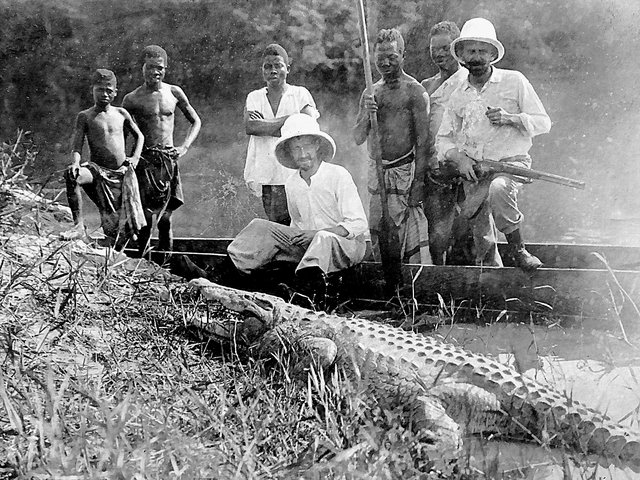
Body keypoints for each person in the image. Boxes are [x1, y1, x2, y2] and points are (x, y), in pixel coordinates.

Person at [436, 18, 551, 270]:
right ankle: (492, 280)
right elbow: (443, 139)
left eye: (482, 51)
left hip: (511, 166)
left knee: (499, 189)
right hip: (476, 171)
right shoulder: (457, 96)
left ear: (492, 54)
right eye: (471, 51)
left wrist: (511, 119)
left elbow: (544, 123)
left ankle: (519, 251)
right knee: (481, 235)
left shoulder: (514, 81)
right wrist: (460, 158)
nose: (476, 57)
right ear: (462, 56)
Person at [224, 113, 368, 306]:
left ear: (317, 145)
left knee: (322, 238)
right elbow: (297, 223)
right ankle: (224, 274)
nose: (302, 154)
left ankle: (304, 293)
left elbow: (358, 224)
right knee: (259, 227)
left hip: (346, 246)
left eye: (307, 146)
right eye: (296, 148)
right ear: (290, 152)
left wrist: (316, 234)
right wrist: (288, 242)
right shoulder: (292, 183)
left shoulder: (337, 175)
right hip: (310, 247)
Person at [353, 28, 431, 265]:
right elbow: (357, 137)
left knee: (408, 235)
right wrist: (368, 113)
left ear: (403, 55)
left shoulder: (415, 91)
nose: (385, 63)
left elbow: (423, 143)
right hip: (377, 174)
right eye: (380, 58)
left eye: (392, 57)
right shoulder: (371, 91)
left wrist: (418, 183)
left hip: (404, 174)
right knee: (378, 230)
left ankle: (412, 286)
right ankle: (383, 285)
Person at [123, 45, 201, 255]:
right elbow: (123, 135)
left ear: (165, 68)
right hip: (145, 161)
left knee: (166, 218)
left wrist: (184, 147)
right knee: (146, 218)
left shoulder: (174, 92)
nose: (155, 72)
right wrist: (125, 161)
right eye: (150, 67)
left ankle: (167, 260)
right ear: (142, 68)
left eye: (159, 68)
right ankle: (142, 259)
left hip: (168, 161)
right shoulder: (132, 99)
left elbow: (195, 121)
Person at [62, 69, 144, 247]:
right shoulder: (85, 116)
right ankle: (78, 227)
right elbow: (77, 145)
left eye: (109, 90)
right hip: (97, 172)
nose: (104, 94)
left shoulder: (121, 113)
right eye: (100, 89)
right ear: (93, 90)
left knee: (117, 231)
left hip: (121, 175)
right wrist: (75, 163)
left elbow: (140, 136)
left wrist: (135, 157)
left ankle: (114, 244)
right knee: (72, 175)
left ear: (115, 92)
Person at [244, 43, 319, 225]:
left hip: (295, 168)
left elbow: (308, 126)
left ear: (288, 69)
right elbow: (252, 127)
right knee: (277, 224)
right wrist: (293, 119)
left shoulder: (300, 94)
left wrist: (267, 125)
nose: (273, 71)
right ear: (262, 71)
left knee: (302, 222)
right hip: (267, 171)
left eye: (278, 65)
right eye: (268, 67)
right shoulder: (255, 97)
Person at [420, 21, 474, 265]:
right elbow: (422, 135)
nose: (439, 54)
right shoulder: (426, 86)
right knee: (437, 234)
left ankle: (467, 289)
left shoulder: (469, 82)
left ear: (457, 49)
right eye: (434, 49)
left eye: (445, 48)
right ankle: (439, 281)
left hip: (466, 169)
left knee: (466, 232)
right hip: (436, 170)